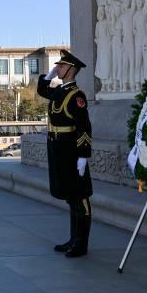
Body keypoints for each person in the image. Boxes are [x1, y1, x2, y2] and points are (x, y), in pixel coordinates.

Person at [36, 50, 93, 258]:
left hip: (71, 150)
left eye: (60, 67)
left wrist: (83, 155)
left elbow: (84, 127)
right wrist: (48, 77)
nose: (57, 69)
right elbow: (43, 91)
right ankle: (72, 239)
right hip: (58, 149)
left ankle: (81, 243)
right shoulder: (60, 91)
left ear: (71, 70)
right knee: (70, 196)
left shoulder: (76, 96)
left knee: (80, 198)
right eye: (57, 66)